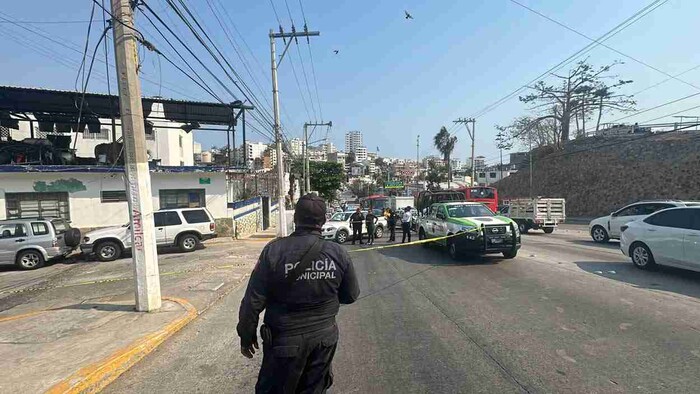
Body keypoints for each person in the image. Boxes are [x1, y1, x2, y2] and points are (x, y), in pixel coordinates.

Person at [237, 194, 360, 394]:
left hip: (284, 341)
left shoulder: (273, 251)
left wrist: (246, 334)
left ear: (295, 218)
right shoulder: (338, 253)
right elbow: (351, 295)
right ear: (323, 221)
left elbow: (253, 300)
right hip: (323, 340)